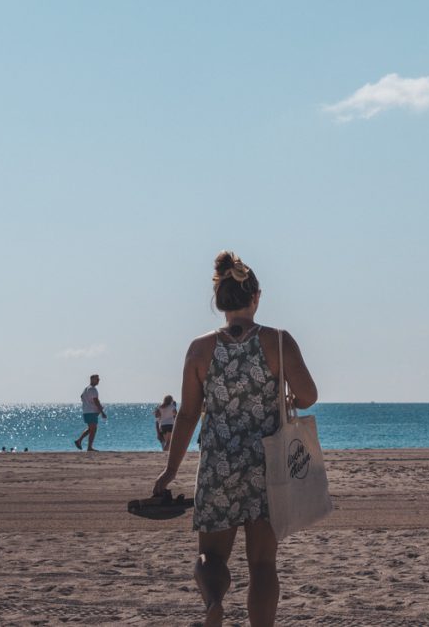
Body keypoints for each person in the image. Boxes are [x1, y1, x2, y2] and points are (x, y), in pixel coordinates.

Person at [153, 251, 318, 627]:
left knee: (211, 557)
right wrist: (287, 398)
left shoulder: (200, 349)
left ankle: (213, 602)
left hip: (218, 465)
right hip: (267, 464)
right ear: (256, 296)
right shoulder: (278, 342)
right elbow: (308, 395)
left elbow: (189, 414)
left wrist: (170, 471)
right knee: (262, 563)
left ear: (220, 301)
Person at [74, 374, 107, 451]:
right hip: (91, 412)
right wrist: (102, 412)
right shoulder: (92, 389)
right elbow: (96, 401)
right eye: (97, 379)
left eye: (98, 379)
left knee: (91, 429)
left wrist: (87, 403)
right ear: (92, 380)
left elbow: (82, 396)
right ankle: (89, 447)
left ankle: (79, 441)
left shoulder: (86, 389)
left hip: (87, 411)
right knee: (93, 429)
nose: (98, 380)